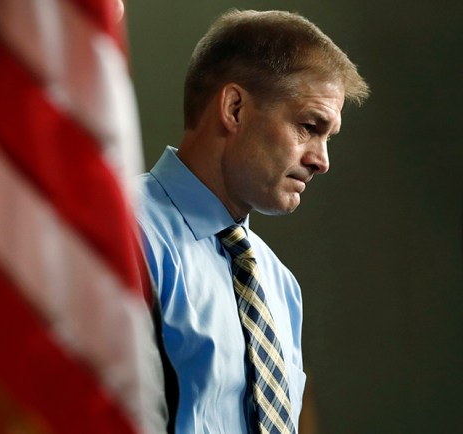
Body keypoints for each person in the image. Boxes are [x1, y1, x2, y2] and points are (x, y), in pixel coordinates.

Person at [136, 9, 368, 434]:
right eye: (308, 126)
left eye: (327, 137)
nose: (322, 161)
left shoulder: (281, 287)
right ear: (235, 108)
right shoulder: (121, 233)